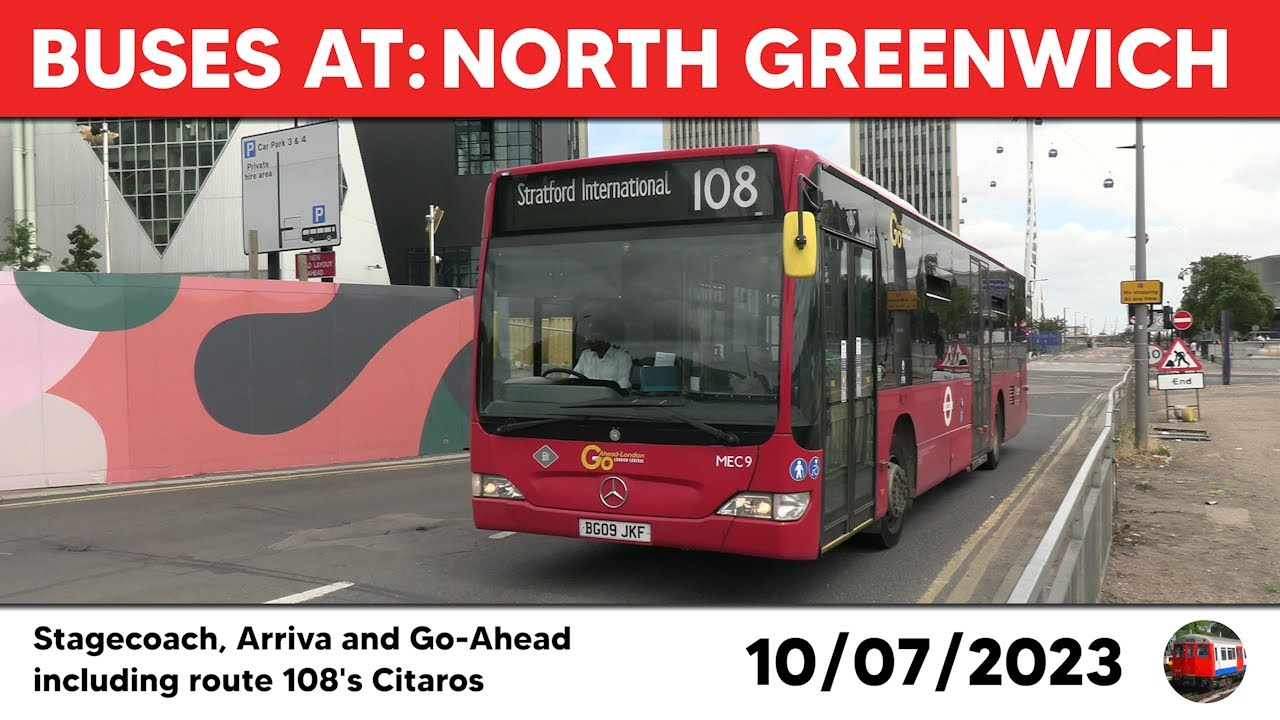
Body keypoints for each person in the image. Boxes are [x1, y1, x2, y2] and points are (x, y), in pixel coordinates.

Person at [573, 308, 633, 389]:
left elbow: (623, 385)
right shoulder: (585, 356)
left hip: (610, 401)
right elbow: (573, 379)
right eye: (587, 336)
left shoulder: (623, 358)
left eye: (592, 336)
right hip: (585, 400)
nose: (587, 340)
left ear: (605, 337)